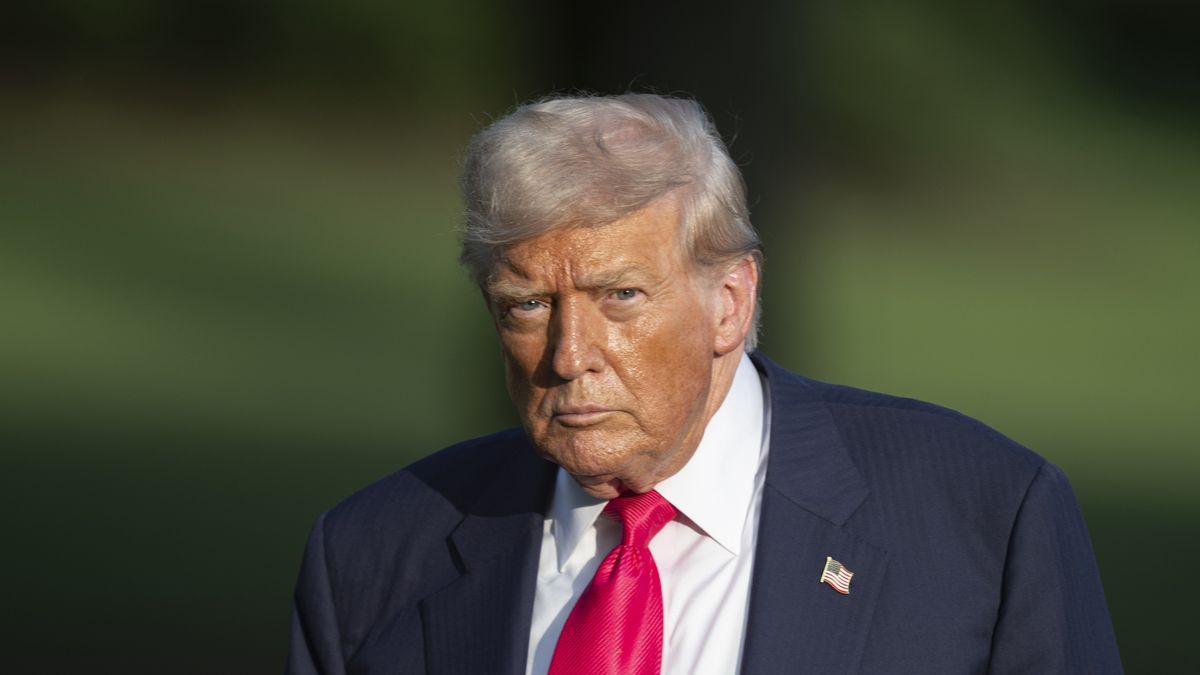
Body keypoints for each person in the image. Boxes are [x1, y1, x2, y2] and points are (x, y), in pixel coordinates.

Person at [286, 93, 1122, 674]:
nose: (570, 354)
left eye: (620, 296)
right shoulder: (372, 556)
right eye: (528, 305)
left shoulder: (983, 520)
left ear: (730, 302)